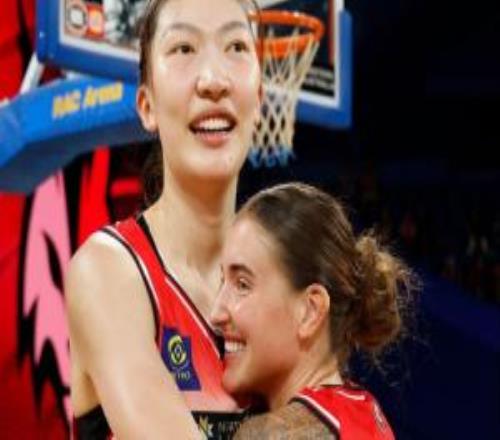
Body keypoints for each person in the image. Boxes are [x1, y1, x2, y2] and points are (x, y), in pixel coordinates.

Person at [65, 0, 262, 438]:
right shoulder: (107, 270)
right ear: (147, 106)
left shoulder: (283, 281)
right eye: (183, 49)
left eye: (235, 46)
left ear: (261, 97)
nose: (213, 81)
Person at [211, 182, 415, 439]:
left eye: (243, 284)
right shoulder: (365, 412)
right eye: (222, 281)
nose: (216, 314)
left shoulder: (271, 434)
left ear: (310, 311)